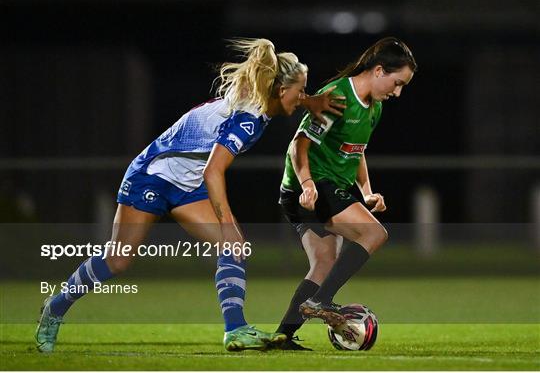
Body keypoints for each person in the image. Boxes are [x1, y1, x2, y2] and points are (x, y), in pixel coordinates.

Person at [35, 38, 345, 353]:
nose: (305, 97)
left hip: (187, 184)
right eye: (301, 91)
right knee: (118, 260)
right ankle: (55, 308)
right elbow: (213, 171)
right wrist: (225, 221)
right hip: (151, 176)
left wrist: (309, 102)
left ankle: (236, 329)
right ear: (281, 90)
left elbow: (284, 96)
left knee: (234, 247)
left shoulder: (262, 99)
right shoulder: (249, 119)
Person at [274, 37, 417, 350]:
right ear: (379, 70)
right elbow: (300, 144)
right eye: (397, 83)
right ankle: (321, 301)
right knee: (374, 234)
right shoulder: (338, 95)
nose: (397, 92)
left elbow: (356, 151)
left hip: (322, 187)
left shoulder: (374, 108)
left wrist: (366, 191)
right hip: (309, 185)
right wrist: (309, 184)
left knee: (324, 263)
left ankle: (283, 336)